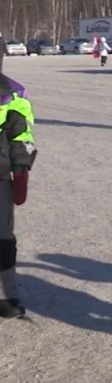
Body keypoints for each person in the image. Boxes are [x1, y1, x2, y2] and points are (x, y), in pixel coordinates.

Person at [0, 72, 37, 319]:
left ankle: (8, 295)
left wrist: (21, 169)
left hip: (0, 177)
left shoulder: (11, 95)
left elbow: (21, 136)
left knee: (2, 237)